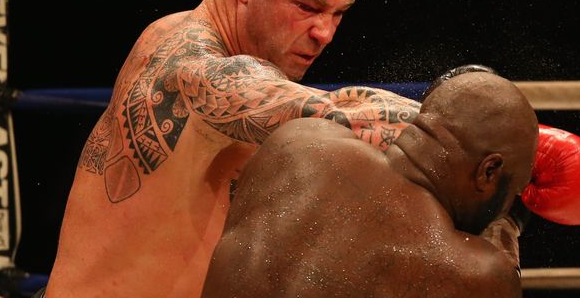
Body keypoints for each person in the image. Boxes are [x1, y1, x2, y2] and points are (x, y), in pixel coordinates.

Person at [43, 0, 421, 298]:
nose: (324, 33)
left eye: (338, 13)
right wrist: (470, 124)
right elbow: (329, 114)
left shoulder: (206, 50)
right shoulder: (187, 67)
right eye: (307, 7)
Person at [202, 69, 540, 298]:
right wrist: (510, 222)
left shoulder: (295, 142)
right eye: (512, 192)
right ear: (488, 172)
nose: (507, 203)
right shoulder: (475, 272)